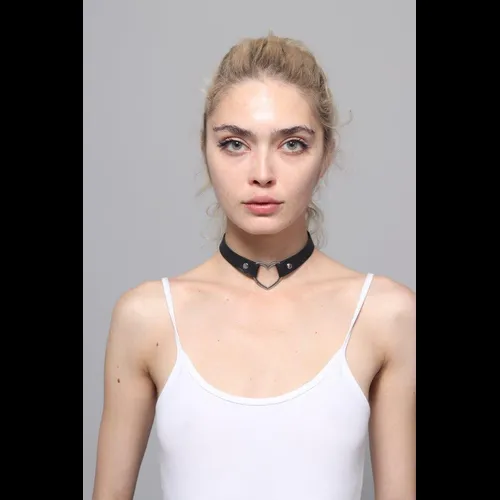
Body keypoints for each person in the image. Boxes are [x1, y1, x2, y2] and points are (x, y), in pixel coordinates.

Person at [92, 33, 416, 500]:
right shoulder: (147, 318)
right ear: (205, 149)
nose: (262, 173)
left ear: (326, 155)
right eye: (234, 144)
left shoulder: (385, 315)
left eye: (292, 144)